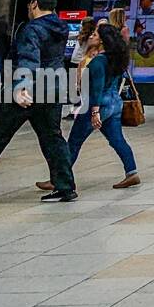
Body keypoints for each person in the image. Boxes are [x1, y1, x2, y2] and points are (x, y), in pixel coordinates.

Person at [0, 0, 78, 203]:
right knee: (53, 138)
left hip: (30, 90)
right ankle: (65, 187)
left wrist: (21, 88)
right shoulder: (61, 28)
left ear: (34, 4)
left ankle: (64, 187)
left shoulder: (32, 29)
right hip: (53, 88)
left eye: (30, 6)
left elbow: (30, 59)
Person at [55, 22, 138, 190]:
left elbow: (97, 89)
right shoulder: (114, 58)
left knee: (74, 142)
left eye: (95, 34)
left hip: (99, 105)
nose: (91, 36)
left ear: (102, 41)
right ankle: (132, 172)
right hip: (115, 103)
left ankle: (59, 179)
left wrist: (94, 112)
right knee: (117, 139)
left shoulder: (98, 62)